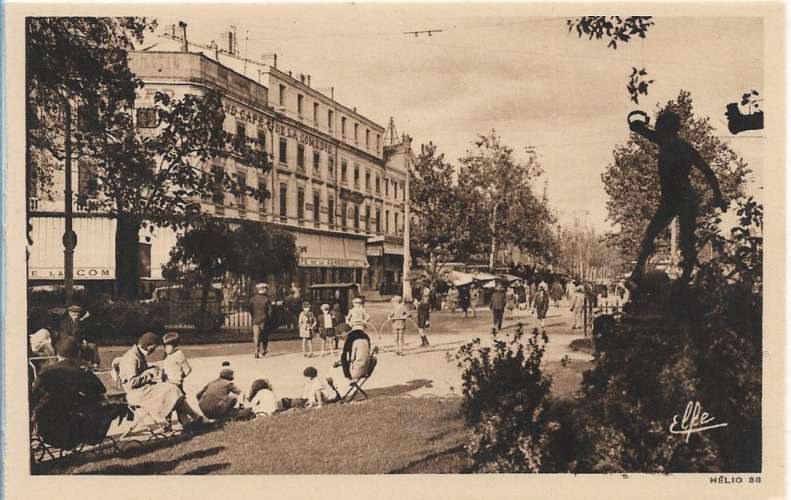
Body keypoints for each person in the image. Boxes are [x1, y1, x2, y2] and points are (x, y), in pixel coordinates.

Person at [626, 110, 728, 289]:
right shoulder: (669, 142)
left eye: (660, 126)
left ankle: (682, 275)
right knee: (654, 233)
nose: (658, 129)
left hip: (684, 198)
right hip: (673, 199)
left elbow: (707, 171)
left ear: (668, 128)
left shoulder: (674, 144)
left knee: (680, 238)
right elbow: (708, 171)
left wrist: (718, 195)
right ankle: (640, 270)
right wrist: (717, 195)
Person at [31, 337, 133, 451]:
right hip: (68, 433)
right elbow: (100, 390)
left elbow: (34, 396)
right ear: (78, 353)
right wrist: (88, 371)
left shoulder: (44, 372)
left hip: (45, 430)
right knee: (107, 408)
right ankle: (94, 438)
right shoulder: (78, 372)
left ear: (57, 353)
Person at [116, 332, 201, 429]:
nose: (154, 350)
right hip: (137, 394)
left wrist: (152, 370)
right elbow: (131, 383)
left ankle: (187, 421)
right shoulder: (132, 358)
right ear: (150, 346)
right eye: (154, 348)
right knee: (171, 389)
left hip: (143, 390)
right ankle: (193, 418)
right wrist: (150, 374)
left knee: (171, 389)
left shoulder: (137, 354)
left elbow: (141, 374)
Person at [59, 305, 100, 370]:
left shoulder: (79, 322)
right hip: (67, 344)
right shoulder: (65, 323)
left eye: (78, 312)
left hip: (78, 342)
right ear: (69, 313)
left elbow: (83, 334)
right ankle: (80, 364)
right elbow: (65, 336)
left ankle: (95, 364)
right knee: (75, 345)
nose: (76, 314)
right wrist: (79, 342)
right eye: (74, 312)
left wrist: (84, 340)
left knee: (93, 346)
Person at [250, 283, 273, 358]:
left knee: (256, 335)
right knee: (264, 335)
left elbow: (250, 310)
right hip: (264, 319)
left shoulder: (253, 298)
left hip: (255, 319)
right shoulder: (267, 299)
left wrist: (253, 316)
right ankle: (263, 350)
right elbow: (270, 311)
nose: (266, 290)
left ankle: (256, 349)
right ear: (263, 289)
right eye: (266, 289)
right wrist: (269, 319)